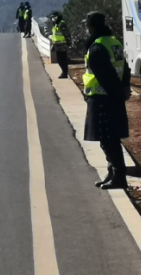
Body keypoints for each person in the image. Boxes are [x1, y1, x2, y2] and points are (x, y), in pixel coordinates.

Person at [82, 11, 131, 189]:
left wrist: (116, 92)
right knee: (108, 139)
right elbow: (124, 67)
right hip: (114, 97)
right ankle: (112, 173)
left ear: (92, 26)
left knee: (109, 139)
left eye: (87, 25)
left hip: (103, 98)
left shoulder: (97, 47)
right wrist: (125, 88)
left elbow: (105, 75)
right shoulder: (113, 42)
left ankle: (119, 177)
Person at [49, 11, 70, 78]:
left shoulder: (61, 23)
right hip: (57, 44)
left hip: (62, 44)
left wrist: (69, 42)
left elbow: (66, 33)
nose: (53, 19)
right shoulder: (56, 24)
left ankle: (64, 73)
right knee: (59, 59)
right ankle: (64, 72)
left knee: (62, 59)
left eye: (54, 17)